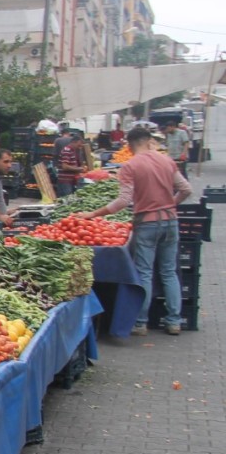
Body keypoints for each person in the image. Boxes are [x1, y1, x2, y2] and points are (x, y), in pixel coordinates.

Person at [75, 126, 192, 336]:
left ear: (129, 145)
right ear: (149, 141)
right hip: (170, 221)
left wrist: (93, 214)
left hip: (146, 222)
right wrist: (170, 205)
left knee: (144, 272)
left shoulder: (130, 166)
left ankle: (141, 322)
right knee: (168, 271)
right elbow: (186, 189)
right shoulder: (167, 161)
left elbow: (123, 200)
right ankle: (174, 321)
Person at [57, 132, 86, 197]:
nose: (80, 147)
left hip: (70, 181)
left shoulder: (72, 151)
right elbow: (65, 166)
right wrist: (79, 169)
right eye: (79, 145)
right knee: (67, 199)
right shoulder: (67, 151)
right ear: (75, 142)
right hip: (65, 181)